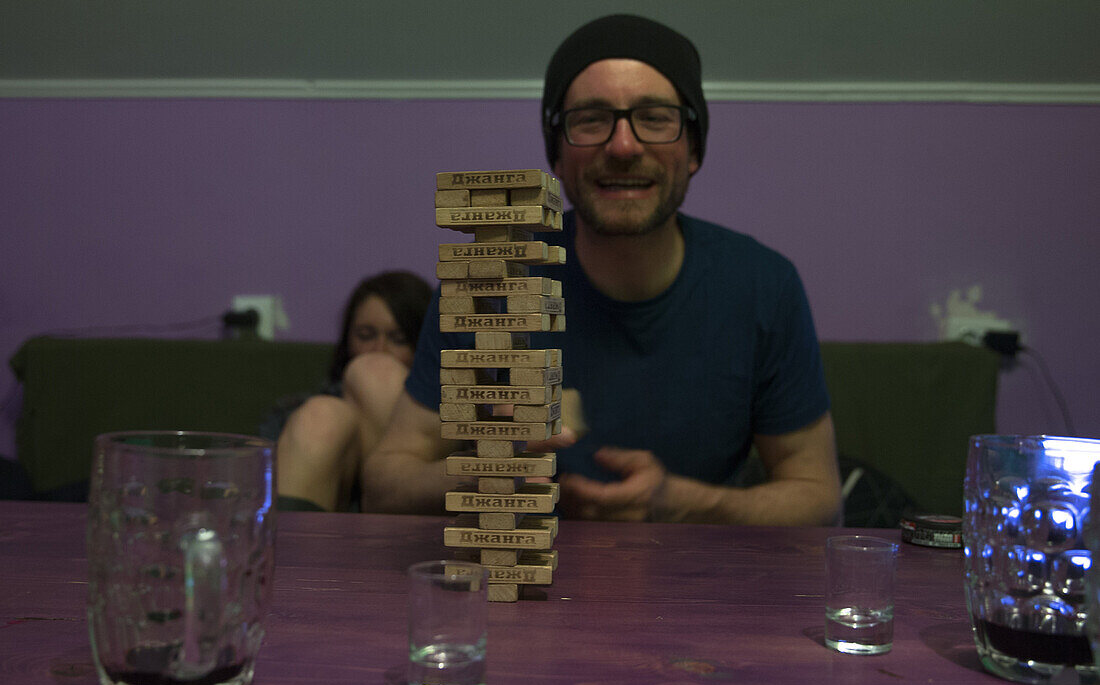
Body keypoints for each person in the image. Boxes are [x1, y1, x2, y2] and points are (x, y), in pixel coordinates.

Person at [363, 14, 841, 524]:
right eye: (591, 120)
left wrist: (685, 504)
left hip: (699, 587)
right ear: (557, 156)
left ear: (694, 149)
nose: (623, 146)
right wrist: (488, 468)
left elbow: (817, 496)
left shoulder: (764, 287)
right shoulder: (492, 282)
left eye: (655, 117)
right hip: (526, 590)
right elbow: (385, 487)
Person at [273, 271, 431, 511]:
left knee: (376, 372)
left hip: (416, 507)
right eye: (365, 335)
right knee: (321, 415)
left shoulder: (446, 417)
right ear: (347, 341)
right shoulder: (299, 409)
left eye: (398, 339)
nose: (379, 348)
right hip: (323, 521)